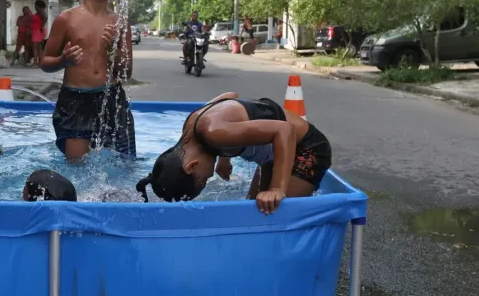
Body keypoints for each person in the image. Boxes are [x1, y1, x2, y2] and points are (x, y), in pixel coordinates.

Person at [40, 0, 136, 161]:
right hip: (75, 99)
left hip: (112, 97)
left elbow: (126, 72)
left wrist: (111, 49)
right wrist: (63, 59)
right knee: (78, 167)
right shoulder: (67, 19)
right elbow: (45, 62)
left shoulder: (120, 23)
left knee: (123, 164)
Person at [135, 92, 332, 214]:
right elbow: (229, 96)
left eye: (203, 179)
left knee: (272, 214)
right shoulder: (192, 125)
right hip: (276, 154)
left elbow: (285, 131)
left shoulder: (214, 133)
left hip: (306, 149)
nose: (210, 176)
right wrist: (224, 156)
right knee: (253, 211)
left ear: (191, 165)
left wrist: (277, 188)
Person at [30, 1, 47, 66]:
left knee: (35, 48)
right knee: (39, 48)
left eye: (35, 5)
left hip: (37, 31)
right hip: (36, 31)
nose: (35, 7)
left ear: (38, 5)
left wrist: (41, 26)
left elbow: (45, 17)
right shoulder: (38, 12)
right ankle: (40, 61)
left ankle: (35, 62)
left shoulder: (41, 11)